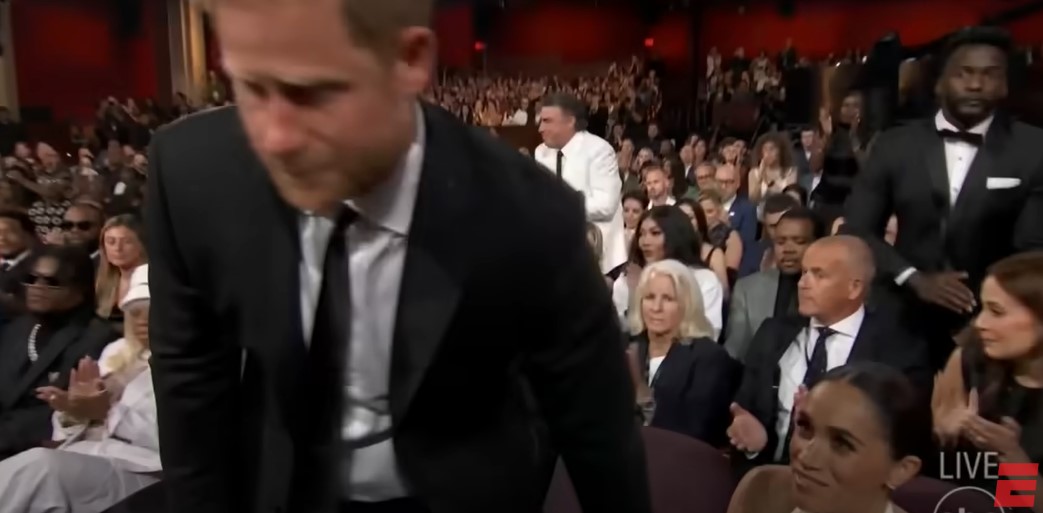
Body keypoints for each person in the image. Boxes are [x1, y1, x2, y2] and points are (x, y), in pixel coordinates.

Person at [145, 0, 651, 512]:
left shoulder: (527, 215)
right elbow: (191, 388)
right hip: (281, 486)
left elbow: (597, 433)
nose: (274, 139)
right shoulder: (191, 176)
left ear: (409, 60)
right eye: (250, 87)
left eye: (314, 93)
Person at [843, 26, 1043, 371]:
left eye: (990, 74)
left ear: (1005, 84)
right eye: (964, 73)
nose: (976, 84)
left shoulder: (1034, 148)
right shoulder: (896, 144)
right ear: (939, 82)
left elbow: (1031, 250)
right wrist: (913, 277)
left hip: (992, 328)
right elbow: (858, 228)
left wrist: (986, 313)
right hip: (900, 316)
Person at [726, 363, 929, 513]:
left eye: (842, 443)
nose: (806, 457)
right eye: (805, 428)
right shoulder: (761, 491)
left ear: (901, 470)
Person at [534, 92, 628, 277]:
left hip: (599, 261)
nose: (540, 128)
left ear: (569, 121)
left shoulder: (599, 150)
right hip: (558, 255)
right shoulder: (541, 152)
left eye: (547, 121)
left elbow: (606, 205)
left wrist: (558, 205)